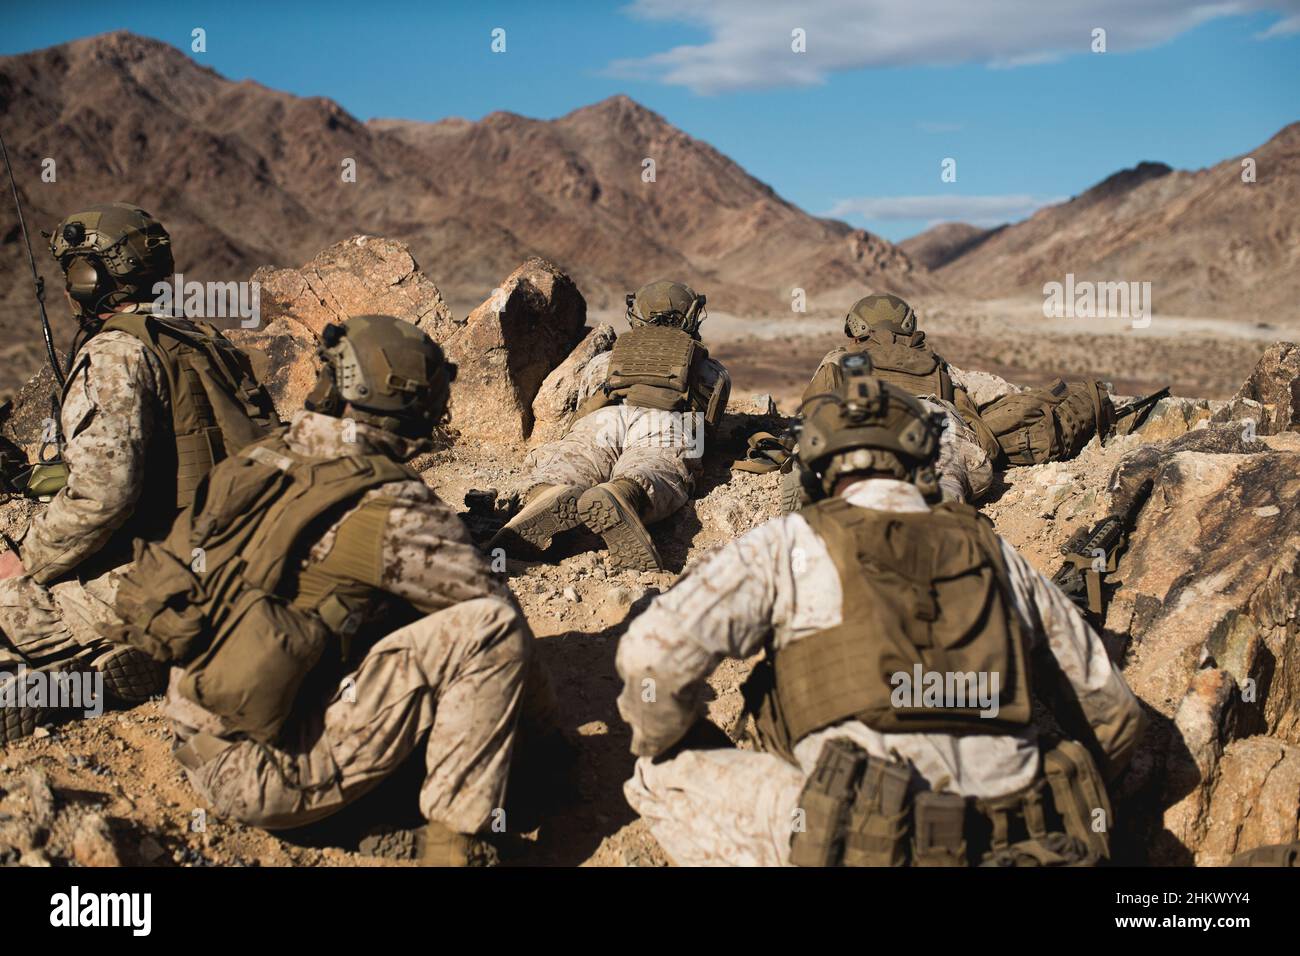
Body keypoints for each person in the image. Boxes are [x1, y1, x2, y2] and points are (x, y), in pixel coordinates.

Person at [616, 362, 1146, 866]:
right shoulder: (994, 552)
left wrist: (673, 739)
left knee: (658, 775)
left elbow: (650, 658)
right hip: (1017, 841)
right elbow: (1114, 712)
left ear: (817, 468)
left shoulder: (789, 543)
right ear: (922, 460)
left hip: (863, 843)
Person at [110, 314, 554, 866]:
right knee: (487, 630)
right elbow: (496, 620)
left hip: (194, 739)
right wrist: (544, 746)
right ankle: (455, 847)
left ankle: (360, 813)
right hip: (270, 775)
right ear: (415, 404)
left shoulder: (254, 461)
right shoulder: (394, 507)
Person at [0, 202, 276, 743]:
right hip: (241, 552)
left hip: (167, 571)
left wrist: (26, 561)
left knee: (10, 599)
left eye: (72, 271)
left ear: (91, 278)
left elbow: (102, 497)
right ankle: (118, 654)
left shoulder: (117, 353)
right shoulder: (203, 338)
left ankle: (54, 679)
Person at [491, 280, 730, 571]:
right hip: (663, 422)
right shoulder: (710, 370)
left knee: (575, 459)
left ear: (637, 315)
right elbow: (706, 427)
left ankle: (544, 494)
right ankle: (625, 493)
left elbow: (585, 404)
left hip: (603, 419)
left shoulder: (605, 360)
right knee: (654, 466)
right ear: (691, 316)